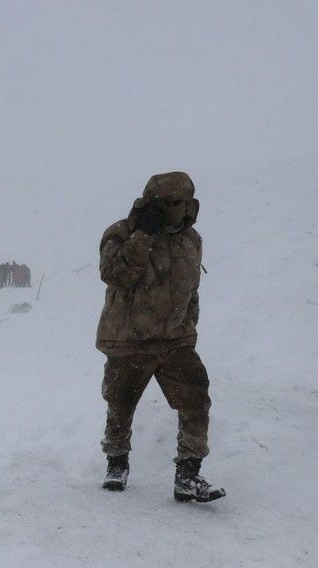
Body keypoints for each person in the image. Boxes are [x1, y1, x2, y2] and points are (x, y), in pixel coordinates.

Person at [96, 171, 225, 503]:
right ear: (152, 205)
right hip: (129, 340)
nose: (180, 209)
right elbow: (116, 276)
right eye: (171, 203)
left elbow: (191, 291)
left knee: (196, 399)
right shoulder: (121, 234)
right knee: (120, 404)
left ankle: (188, 474)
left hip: (174, 343)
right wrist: (143, 235)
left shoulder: (191, 240)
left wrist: (188, 331)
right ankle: (116, 463)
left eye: (185, 202)